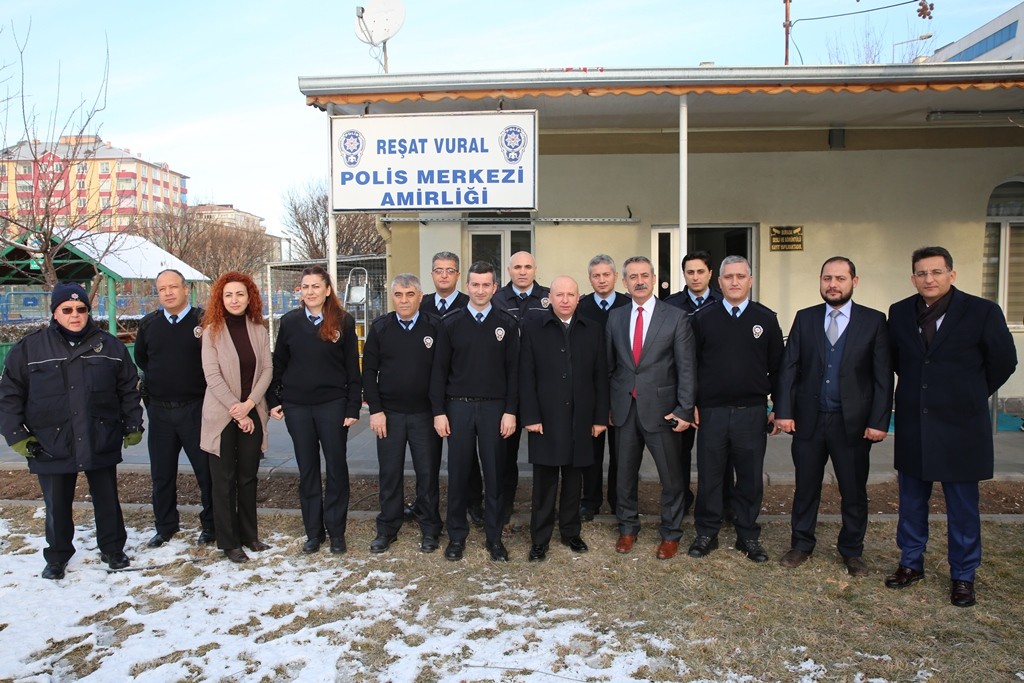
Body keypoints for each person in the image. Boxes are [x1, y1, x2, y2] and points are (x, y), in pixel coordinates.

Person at [885, 246, 1016, 607]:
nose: (929, 279)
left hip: (961, 427)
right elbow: (897, 359)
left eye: (936, 272)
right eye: (922, 273)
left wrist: (971, 393)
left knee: (962, 507)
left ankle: (963, 575)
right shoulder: (899, 312)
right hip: (915, 423)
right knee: (911, 501)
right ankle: (910, 563)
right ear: (913, 277)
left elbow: (1004, 360)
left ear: (952, 275)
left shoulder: (982, 312)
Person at [0, 282, 144, 579]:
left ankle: (113, 548)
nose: (75, 315)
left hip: (99, 434)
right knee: (56, 503)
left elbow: (128, 389)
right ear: (55, 312)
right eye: (67, 309)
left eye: (81, 309)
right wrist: (18, 437)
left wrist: (132, 424)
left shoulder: (111, 346)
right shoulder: (29, 348)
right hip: (50, 440)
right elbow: (9, 396)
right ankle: (57, 555)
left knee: (107, 498)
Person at [774, 257, 892, 576]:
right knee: (805, 487)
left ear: (855, 281)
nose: (833, 284)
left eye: (840, 278)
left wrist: (879, 420)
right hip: (809, 421)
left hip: (852, 424)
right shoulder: (806, 318)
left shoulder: (874, 321)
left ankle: (852, 551)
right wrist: (783, 411)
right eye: (827, 278)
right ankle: (801, 544)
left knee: (853, 490)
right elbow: (789, 368)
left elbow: (883, 377)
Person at [688, 256, 783, 563]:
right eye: (728, 277)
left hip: (751, 412)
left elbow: (778, 369)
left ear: (750, 281)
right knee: (711, 475)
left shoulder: (766, 319)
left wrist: (778, 406)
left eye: (741, 276)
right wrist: (692, 405)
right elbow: (691, 366)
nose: (734, 281)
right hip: (712, 412)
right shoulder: (703, 318)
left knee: (750, 476)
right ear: (720, 282)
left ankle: (748, 535)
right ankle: (707, 532)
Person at [607, 256, 695, 560]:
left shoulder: (675, 316)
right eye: (633, 276)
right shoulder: (616, 317)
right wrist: (609, 404)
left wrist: (685, 409)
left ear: (654, 278)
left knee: (671, 476)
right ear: (624, 282)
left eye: (645, 275)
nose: (639, 281)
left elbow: (686, 368)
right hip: (625, 408)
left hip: (663, 410)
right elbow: (610, 366)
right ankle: (628, 528)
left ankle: (671, 533)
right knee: (624, 475)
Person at [431, 261, 519, 562]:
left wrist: (510, 411)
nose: (480, 290)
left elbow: (514, 372)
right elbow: (438, 372)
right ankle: (456, 536)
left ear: (495, 287)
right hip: (458, 408)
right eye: (475, 284)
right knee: (458, 475)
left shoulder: (506, 323)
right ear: (467, 286)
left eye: (486, 285)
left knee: (495, 475)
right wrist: (439, 412)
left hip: (495, 410)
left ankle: (494, 538)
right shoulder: (450, 323)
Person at [269, 265, 361, 555]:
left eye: (315, 286)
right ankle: (313, 533)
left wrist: (353, 406)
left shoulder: (343, 322)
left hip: (332, 406)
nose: (310, 292)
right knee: (307, 470)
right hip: (297, 408)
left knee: (336, 469)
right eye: (305, 287)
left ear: (327, 290)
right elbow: (278, 364)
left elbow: (352, 370)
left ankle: (336, 532)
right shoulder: (289, 322)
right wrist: (274, 400)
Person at [520, 276, 609, 561]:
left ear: (578, 297)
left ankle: (571, 532)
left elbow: (600, 377)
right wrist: (531, 416)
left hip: (580, 418)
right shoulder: (533, 328)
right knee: (545, 483)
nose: (565, 300)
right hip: (545, 419)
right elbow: (526, 375)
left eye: (571, 294)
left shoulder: (593, 330)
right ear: (550, 297)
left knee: (574, 481)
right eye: (560, 295)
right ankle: (539, 539)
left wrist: (599, 418)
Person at [134, 269, 215, 548]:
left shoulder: (205, 320)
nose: (168, 293)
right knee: (162, 474)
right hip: (160, 412)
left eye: (173, 287)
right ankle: (165, 526)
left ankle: (211, 526)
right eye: (162, 289)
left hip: (196, 410)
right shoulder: (148, 325)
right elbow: (143, 360)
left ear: (186, 289)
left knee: (207, 473)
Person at [363, 274, 443, 553]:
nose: (404, 300)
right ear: (392, 297)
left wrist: (439, 412)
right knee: (390, 474)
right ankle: (387, 528)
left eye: (410, 294)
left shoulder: (435, 326)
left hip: (425, 415)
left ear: (420, 296)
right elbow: (369, 371)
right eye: (399, 294)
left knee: (428, 474)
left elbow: (441, 372)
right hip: (390, 416)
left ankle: (431, 528)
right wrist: (376, 411)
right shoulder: (381, 327)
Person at [200, 271, 274, 563]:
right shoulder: (212, 331)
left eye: (240, 294)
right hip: (221, 415)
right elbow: (212, 375)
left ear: (249, 297)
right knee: (223, 479)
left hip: (252, 413)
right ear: (221, 298)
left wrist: (250, 405)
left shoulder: (259, 329)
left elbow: (268, 370)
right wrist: (236, 408)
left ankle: (249, 535)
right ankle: (228, 542)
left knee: (247, 477)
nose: (234, 299)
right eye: (228, 294)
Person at [417, 251, 482, 526]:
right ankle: (425, 507)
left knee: (466, 457)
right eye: (438, 269)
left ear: (458, 275)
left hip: (459, 393)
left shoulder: (472, 305)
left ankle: (474, 504)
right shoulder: (421, 304)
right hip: (425, 395)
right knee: (427, 458)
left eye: (450, 270)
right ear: (431, 274)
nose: (444, 274)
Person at [664, 250, 730, 518]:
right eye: (690, 272)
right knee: (679, 453)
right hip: (679, 391)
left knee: (718, 453)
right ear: (684, 275)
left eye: (700, 271)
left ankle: (721, 505)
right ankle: (682, 501)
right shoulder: (670, 305)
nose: (695, 277)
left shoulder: (723, 302)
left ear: (710, 273)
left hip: (715, 389)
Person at [492, 250, 550, 533]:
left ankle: (544, 509)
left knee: (545, 454)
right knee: (505, 454)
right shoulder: (496, 299)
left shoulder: (549, 298)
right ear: (509, 270)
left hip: (543, 388)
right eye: (517, 267)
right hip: (507, 388)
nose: (523, 271)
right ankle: (504, 506)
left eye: (528, 266)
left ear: (535, 269)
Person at [576, 254, 630, 521]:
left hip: (623, 389)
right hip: (591, 390)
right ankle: (590, 500)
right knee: (592, 451)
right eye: (596, 275)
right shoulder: (581, 306)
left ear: (615, 277)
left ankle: (619, 500)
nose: (601, 280)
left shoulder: (628, 305)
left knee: (622, 451)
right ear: (590, 279)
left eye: (606, 274)